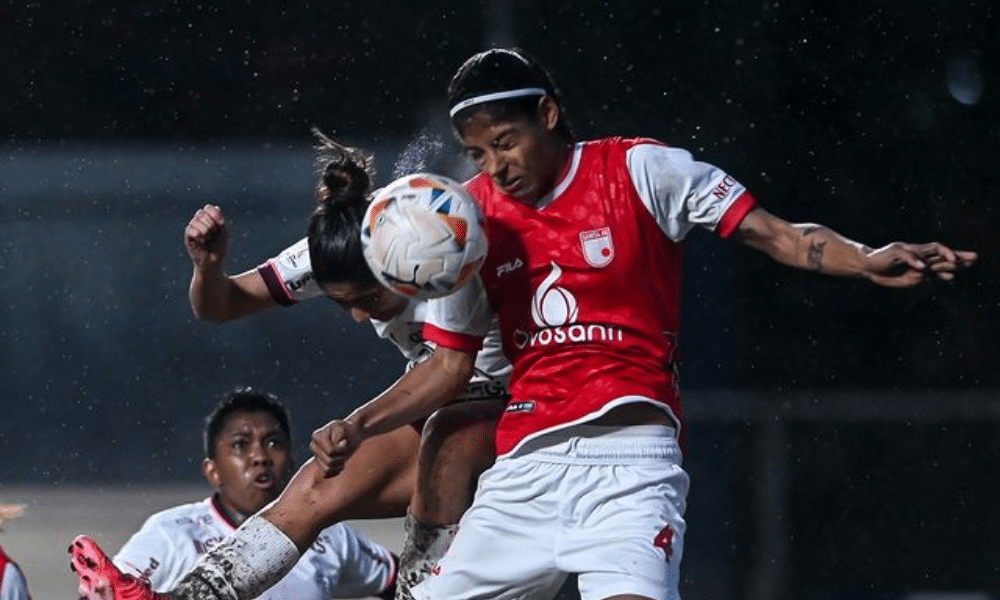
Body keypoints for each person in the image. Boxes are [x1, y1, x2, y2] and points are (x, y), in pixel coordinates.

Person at [303, 47, 978, 600]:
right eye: (478, 155)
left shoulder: (640, 170)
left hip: (631, 468)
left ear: (549, 113)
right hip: (525, 469)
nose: (494, 167)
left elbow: (778, 235)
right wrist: (359, 424)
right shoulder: (466, 222)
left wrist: (864, 260)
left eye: (505, 144)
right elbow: (448, 368)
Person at [69, 133, 510, 600]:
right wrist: (209, 268)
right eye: (345, 305)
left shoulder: (432, 240)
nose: (360, 316)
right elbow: (220, 307)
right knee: (315, 485)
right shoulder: (330, 249)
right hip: (452, 402)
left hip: (515, 401)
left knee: (448, 444)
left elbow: (450, 370)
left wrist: (357, 424)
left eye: (369, 298)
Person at [70, 387, 397, 600]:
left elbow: (398, 578)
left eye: (274, 443)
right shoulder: (171, 533)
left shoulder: (331, 536)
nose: (261, 456)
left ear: (294, 463)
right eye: (241, 445)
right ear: (212, 471)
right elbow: (113, 588)